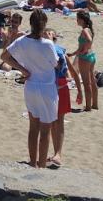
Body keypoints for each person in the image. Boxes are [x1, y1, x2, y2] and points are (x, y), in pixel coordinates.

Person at [0, 10, 59, 168]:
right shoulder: (47, 44)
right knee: (45, 131)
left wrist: (22, 69)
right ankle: (42, 165)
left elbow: (4, 56)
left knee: (33, 128)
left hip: (31, 86)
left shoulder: (22, 41)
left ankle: (33, 163)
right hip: (46, 88)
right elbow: (55, 64)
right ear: (44, 25)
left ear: (31, 24)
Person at [45, 27, 80, 167]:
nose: (46, 35)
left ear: (54, 38)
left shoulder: (60, 51)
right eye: (44, 33)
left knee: (58, 121)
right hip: (48, 87)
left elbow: (73, 73)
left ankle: (58, 153)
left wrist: (80, 91)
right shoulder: (42, 51)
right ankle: (54, 153)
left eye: (49, 34)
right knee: (51, 122)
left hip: (60, 87)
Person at [68, 10, 98, 111]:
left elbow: (89, 41)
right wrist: (73, 54)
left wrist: (84, 50)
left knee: (86, 83)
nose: (76, 20)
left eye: (77, 19)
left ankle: (88, 107)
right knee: (92, 81)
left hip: (85, 58)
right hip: (92, 56)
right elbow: (82, 45)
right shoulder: (89, 29)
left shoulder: (85, 30)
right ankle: (95, 104)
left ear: (81, 20)